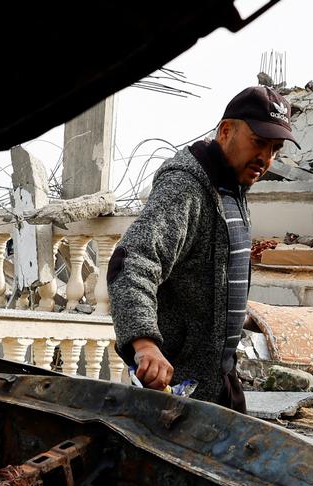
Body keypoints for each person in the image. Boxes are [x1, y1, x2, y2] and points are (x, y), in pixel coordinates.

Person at [106, 86, 298, 412]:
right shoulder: (186, 187)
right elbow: (133, 261)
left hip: (220, 381)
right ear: (226, 131)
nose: (266, 158)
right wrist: (145, 345)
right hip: (175, 388)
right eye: (259, 142)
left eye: (275, 148)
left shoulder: (233, 186)